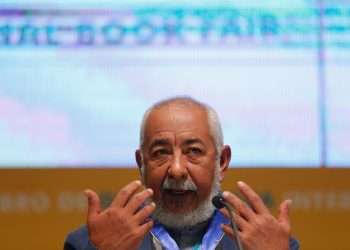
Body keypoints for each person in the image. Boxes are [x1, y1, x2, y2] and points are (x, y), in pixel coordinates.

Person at [64, 97, 299, 250]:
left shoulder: (267, 243)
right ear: (141, 163)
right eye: (161, 152)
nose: (176, 170)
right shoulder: (91, 243)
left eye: (193, 151)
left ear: (222, 161)